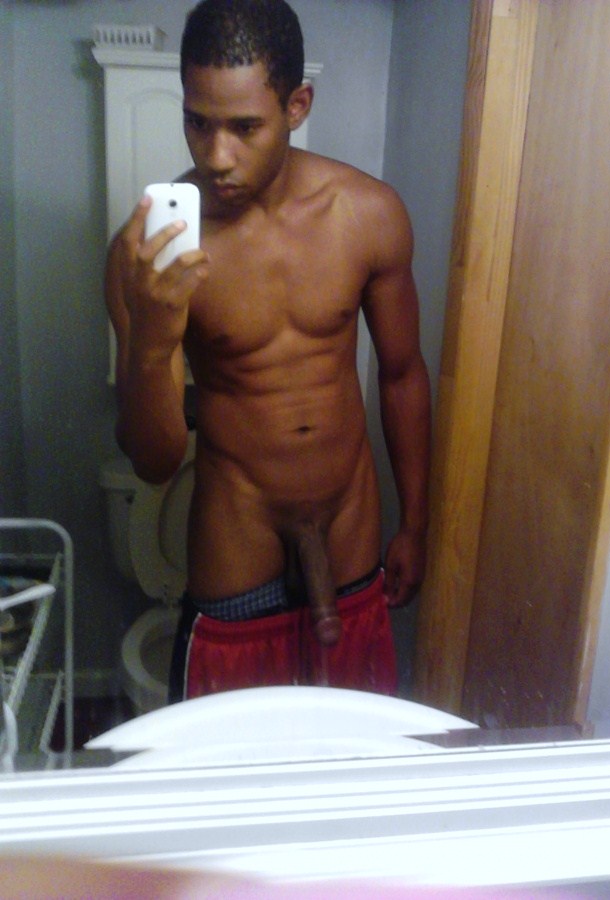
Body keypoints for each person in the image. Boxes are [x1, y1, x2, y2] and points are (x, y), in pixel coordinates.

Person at [105, 0, 431, 701]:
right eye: (198, 122)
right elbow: (155, 462)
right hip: (236, 535)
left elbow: (402, 376)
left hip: (349, 527)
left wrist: (416, 521)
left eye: (244, 127)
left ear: (297, 106)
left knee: (345, 751)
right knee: (227, 758)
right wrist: (153, 340)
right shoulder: (147, 257)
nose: (215, 155)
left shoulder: (369, 215)